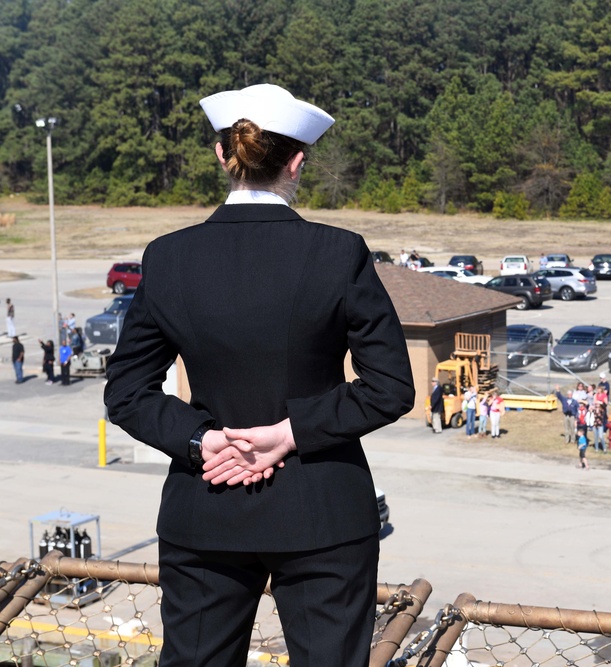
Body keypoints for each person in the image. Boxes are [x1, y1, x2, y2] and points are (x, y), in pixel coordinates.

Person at [103, 84, 415, 667]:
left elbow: (126, 391)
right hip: (324, 510)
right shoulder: (339, 252)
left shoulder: (169, 257)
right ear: (298, 162)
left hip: (206, 505)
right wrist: (290, 434)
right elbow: (391, 387)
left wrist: (203, 440)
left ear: (222, 156)